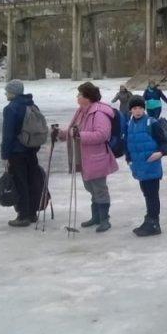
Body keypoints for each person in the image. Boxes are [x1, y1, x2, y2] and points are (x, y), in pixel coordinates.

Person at [56, 82, 119, 233]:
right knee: (90, 187)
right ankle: (96, 216)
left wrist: (78, 135)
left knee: (99, 188)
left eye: (79, 94)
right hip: (83, 157)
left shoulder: (99, 113)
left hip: (96, 157)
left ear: (87, 98)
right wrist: (62, 134)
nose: (77, 97)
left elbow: (102, 135)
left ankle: (104, 219)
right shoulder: (81, 111)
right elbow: (73, 131)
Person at [124, 95, 167, 237]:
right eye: (134, 108)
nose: (137, 111)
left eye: (140, 108)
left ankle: (154, 223)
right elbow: (128, 144)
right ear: (131, 110)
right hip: (139, 167)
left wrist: (161, 153)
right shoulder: (129, 125)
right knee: (147, 194)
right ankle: (149, 219)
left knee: (152, 195)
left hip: (151, 166)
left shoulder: (152, 123)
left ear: (144, 109)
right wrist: (129, 159)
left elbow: (164, 142)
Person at [1, 80, 44, 227]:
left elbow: (8, 135)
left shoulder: (11, 108)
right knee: (32, 181)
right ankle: (32, 214)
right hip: (31, 150)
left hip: (16, 152)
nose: (5, 93)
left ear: (13, 92)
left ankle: (23, 216)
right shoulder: (32, 105)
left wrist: (5, 155)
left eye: (7, 91)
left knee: (20, 183)